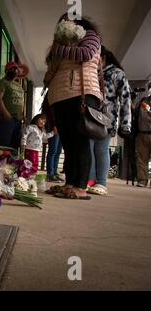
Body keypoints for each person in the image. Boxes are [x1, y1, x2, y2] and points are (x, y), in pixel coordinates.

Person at [43, 14, 103, 200]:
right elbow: (51, 67)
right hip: (60, 96)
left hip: (82, 94)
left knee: (80, 142)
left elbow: (85, 54)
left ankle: (81, 187)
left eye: (67, 21)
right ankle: (70, 183)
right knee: (68, 143)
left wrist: (60, 48)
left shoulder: (91, 35)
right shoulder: (59, 43)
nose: (63, 25)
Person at [87, 46, 132, 195]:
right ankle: (90, 180)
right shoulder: (91, 72)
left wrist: (126, 124)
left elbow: (126, 99)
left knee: (101, 149)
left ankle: (102, 183)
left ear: (103, 57)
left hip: (107, 119)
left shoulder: (117, 74)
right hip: (89, 116)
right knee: (89, 149)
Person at [0, 62, 29, 151]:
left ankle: (11, 165)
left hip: (17, 120)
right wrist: (6, 114)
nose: (14, 71)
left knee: (14, 147)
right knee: (2, 148)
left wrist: (22, 115)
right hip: (5, 119)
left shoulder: (18, 85)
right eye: (11, 69)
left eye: (16, 70)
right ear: (6, 71)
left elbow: (21, 101)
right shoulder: (2, 82)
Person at [133, 81, 151, 187]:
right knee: (141, 159)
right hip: (142, 133)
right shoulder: (143, 101)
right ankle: (142, 180)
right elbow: (135, 112)